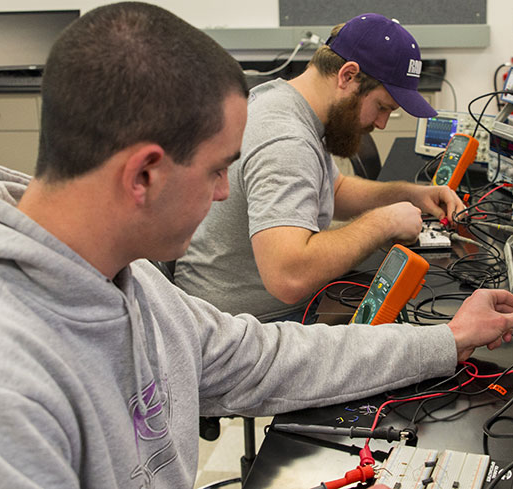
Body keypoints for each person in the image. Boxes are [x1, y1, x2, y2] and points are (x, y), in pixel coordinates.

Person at [0, 3, 513, 488]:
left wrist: (449, 338)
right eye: (219, 170)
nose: (229, 195)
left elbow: (275, 355)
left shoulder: (132, 291)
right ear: (144, 173)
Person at [174, 13, 466, 321]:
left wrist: (411, 195)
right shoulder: (286, 139)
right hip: (242, 329)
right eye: (381, 106)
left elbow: (334, 190)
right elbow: (289, 276)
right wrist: (383, 224)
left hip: (239, 313)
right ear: (347, 75)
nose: (381, 123)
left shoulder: (286, 102)